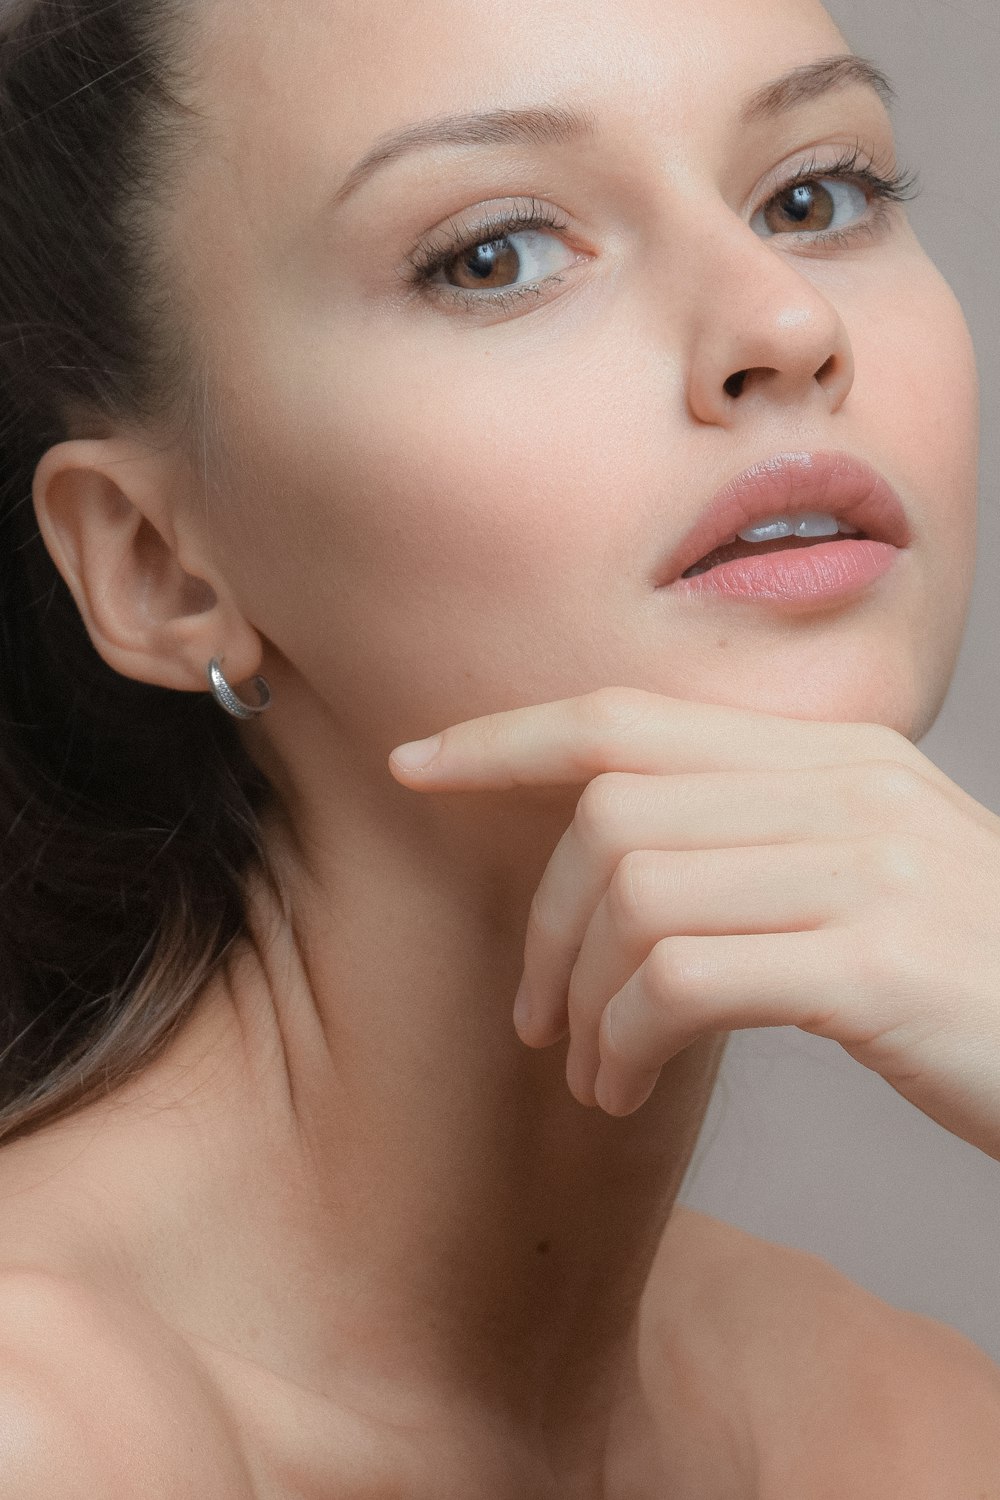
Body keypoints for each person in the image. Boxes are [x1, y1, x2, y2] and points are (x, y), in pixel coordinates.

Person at [1, 0, 999, 1493]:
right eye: (494, 255)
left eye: (814, 196)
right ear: (157, 561)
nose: (786, 325)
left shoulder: (906, 1430)